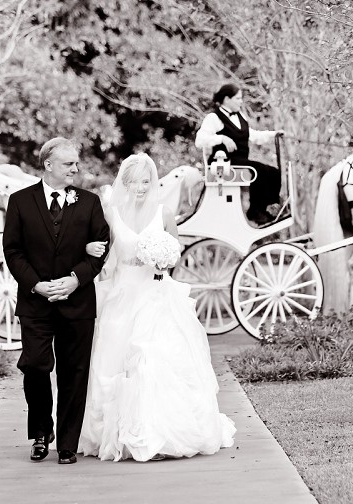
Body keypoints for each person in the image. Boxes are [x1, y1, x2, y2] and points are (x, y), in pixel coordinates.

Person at [78, 153, 236, 462]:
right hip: (122, 295)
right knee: (112, 360)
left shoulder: (164, 213)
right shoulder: (112, 213)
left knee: (155, 359)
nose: (140, 187)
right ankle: (114, 434)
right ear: (125, 183)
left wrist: (161, 258)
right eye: (134, 181)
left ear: (153, 182)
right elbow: (105, 251)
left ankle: (160, 435)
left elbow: (175, 252)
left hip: (155, 294)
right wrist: (97, 258)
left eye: (146, 181)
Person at [3, 137, 110, 465]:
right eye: (68, 164)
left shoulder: (90, 202)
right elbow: (13, 251)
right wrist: (37, 285)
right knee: (35, 365)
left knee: (74, 371)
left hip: (77, 302)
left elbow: (101, 246)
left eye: (76, 163)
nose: (75, 169)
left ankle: (67, 442)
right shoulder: (20, 201)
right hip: (35, 302)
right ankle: (40, 432)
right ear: (48, 165)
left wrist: (75, 278)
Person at [195, 84, 284, 225]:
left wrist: (273, 134)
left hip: (241, 160)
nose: (241, 102)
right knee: (260, 171)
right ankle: (255, 210)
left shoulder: (240, 116)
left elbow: (253, 135)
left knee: (273, 172)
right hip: (223, 162)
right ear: (227, 99)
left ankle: (267, 208)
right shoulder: (214, 117)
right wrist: (221, 138)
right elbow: (199, 141)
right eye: (238, 98)